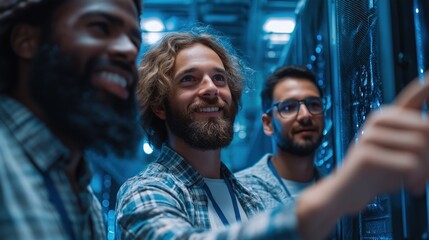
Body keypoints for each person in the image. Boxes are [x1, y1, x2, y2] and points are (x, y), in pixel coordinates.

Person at [116, 29, 429, 240]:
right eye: (189, 79)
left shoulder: (247, 196)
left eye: (220, 79)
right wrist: (339, 191)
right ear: (159, 106)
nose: (211, 89)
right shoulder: (144, 191)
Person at [0, 0, 142, 238]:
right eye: (101, 27)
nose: (129, 50)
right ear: (26, 40)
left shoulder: (82, 192)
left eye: (135, 41)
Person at [237, 65, 325, 210]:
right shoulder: (240, 192)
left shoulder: (338, 194)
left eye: (314, 104)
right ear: (268, 124)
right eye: (288, 107)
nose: (305, 115)